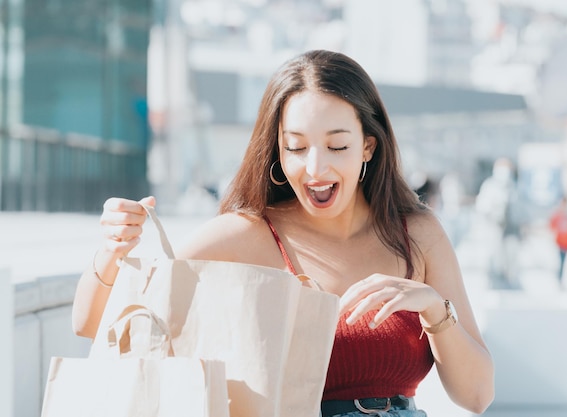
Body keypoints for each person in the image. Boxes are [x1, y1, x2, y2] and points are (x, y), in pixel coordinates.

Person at [72, 50, 494, 416]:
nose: (315, 168)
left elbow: (476, 397)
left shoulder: (417, 234)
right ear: (276, 149)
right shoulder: (245, 236)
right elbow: (92, 323)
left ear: (368, 146)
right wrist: (111, 250)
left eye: (337, 146)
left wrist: (435, 311)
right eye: (296, 147)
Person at [549, 196, 567, 286]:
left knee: (563, 262)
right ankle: (557, 277)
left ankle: (559, 278)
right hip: (559, 243)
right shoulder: (558, 215)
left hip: (566, 244)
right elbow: (551, 226)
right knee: (558, 261)